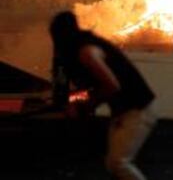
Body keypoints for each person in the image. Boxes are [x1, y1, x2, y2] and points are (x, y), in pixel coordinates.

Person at [49, 10, 156, 180]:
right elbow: (96, 87)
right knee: (114, 164)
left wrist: (84, 104)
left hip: (137, 110)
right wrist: (74, 99)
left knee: (119, 163)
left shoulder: (87, 52)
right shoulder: (85, 45)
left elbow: (111, 86)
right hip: (126, 111)